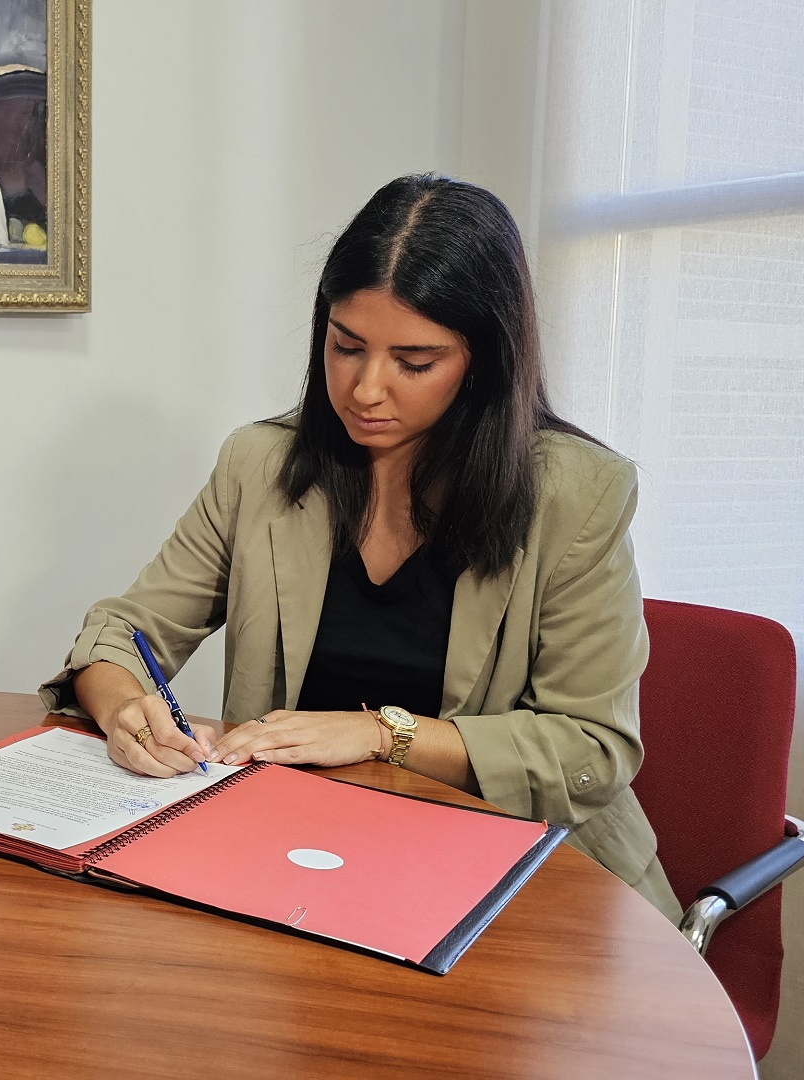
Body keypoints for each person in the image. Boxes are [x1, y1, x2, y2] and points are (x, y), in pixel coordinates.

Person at [40, 175, 679, 917]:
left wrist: (382, 734)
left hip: (524, 883)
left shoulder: (578, 493)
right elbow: (122, 633)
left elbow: (589, 750)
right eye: (346, 347)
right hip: (304, 864)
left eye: (414, 362)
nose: (366, 389)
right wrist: (124, 710)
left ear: (485, 364)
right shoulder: (261, 466)